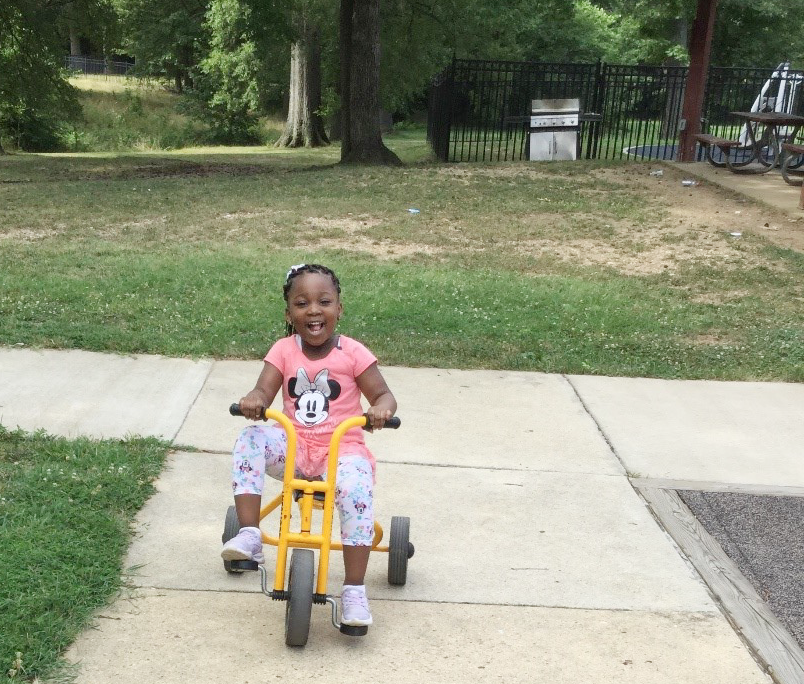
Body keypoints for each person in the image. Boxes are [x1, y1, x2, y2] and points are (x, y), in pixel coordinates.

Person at [221, 263, 397, 627]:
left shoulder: (353, 353)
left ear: (339, 309)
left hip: (341, 450)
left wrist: (380, 409)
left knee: (357, 489)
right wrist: (255, 400)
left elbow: (382, 393)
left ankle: (353, 591)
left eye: (324, 301)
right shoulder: (284, 350)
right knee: (250, 438)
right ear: (289, 313)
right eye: (302, 303)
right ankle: (251, 533)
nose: (313, 310)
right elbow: (263, 390)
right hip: (294, 449)